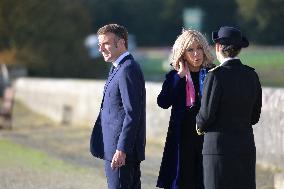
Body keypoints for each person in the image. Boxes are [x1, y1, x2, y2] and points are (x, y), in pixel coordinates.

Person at [196, 26, 262, 189]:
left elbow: (206, 116)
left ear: (218, 47)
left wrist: (198, 125)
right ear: (239, 49)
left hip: (217, 150)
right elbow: (255, 117)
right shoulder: (251, 75)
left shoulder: (215, 75)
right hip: (244, 148)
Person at [156, 29, 215, 189]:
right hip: (181, 141)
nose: (196, 54)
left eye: (199, 48)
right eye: (190, 50)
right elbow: (163, 102)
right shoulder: (175, 76)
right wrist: (180, 75)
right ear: (182, 54)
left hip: (207, 140)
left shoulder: (213, 74)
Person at [89, 24, 146, 189]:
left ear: (121, 43)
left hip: (120, 153)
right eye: (99, 45)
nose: (101, 49)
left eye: (105, 43)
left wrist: (122, 149)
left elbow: (132, 113)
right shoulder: (118, 68)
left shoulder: (128, 69)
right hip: (116, 150)